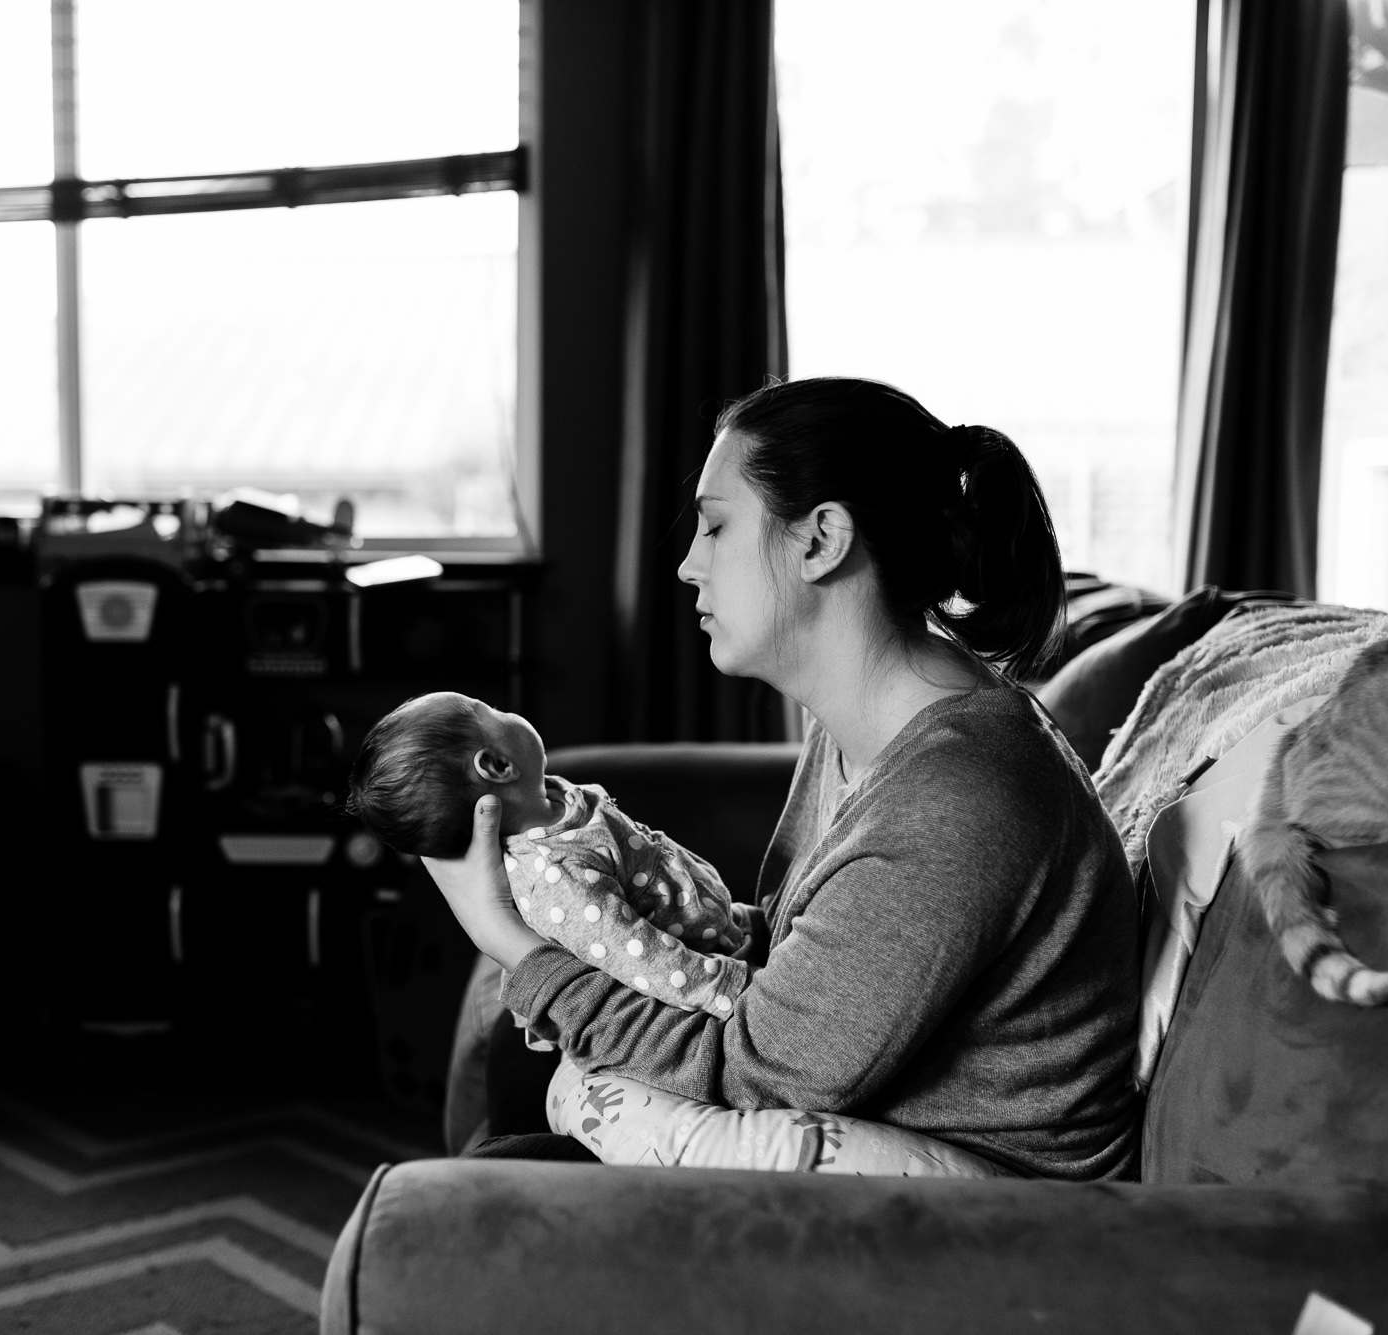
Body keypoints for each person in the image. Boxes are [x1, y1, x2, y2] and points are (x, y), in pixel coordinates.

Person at [424, 377, 1143, 1180]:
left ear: (820, 541)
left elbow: (756, 1071)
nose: (689, 566)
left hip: (976, 1209)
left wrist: (509, 940)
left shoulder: (957, 803)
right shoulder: (863, 726)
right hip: (846, 1110)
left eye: (716, 526)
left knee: (498, 1172)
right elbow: (785, 957)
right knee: (519, 1087)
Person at [346, 691, 752, 1018]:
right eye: (492, 709)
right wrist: (729, 988)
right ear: (497, 765)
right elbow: (639, 954)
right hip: (700, 981)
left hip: (725, 928)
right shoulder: (555, 876)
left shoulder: (553, 803)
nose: (505, 709)